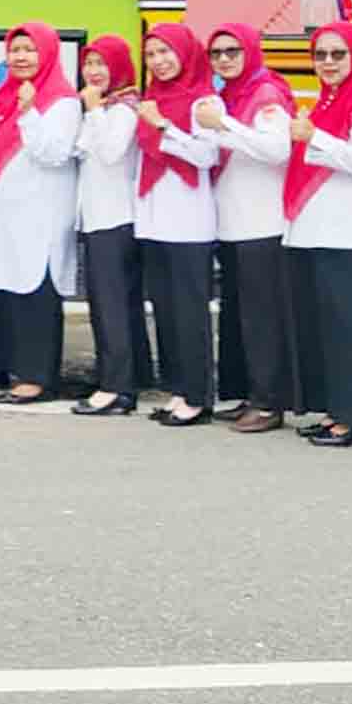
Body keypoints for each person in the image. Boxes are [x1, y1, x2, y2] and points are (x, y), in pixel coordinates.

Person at [282, 22, 352, 446]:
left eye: (337, 54)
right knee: (323, 328)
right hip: (313, 231)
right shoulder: (325, 104)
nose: (327, 62)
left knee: (350, 329)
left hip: (349, 233)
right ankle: (334, 410)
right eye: (320, 55)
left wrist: (317, 138)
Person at [196, 23, 300, 424]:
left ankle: (269, 401)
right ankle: (247, 392)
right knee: (239, 315)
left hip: (262, 222)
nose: (224, 59)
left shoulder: (266, 94)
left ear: (251, 51)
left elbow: (277, 150)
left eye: (232, 51)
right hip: (233, 222)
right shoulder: (228, 96)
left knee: (263, 318)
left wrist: (224, 125)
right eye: (217, 53)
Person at [0, 22, 80, 405]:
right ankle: (6, 364)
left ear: (48, 53)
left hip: (42, 214)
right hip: (7, 214)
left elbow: (53, 153)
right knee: (9, 287)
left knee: (36, 289)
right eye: (14, 49)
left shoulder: (62, 101)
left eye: (29, 50)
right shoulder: (6, 96)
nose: (20, 57)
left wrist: (30, 110)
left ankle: (37, 376)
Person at [130, 25, 221, 426]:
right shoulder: (153, 98)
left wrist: (165, 126)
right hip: (153, 219)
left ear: (185, 53)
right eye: (151, 55)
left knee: (189, 312)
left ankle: (199, 395)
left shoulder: (203, 100)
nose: (159, 61)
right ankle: (180, 388)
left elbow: (206, 155)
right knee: (165, 310)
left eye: (166, 52)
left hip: (188, 222)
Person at [72, 34, 153, 416]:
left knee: (110, 305)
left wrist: (92, 111)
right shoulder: (108, 107)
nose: (93, 71)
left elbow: (108, 152)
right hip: (100, 217)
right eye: (89, 63)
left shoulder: (123, 109)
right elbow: (80, 148)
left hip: (114, 218)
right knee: (119, 303)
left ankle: (116, 387)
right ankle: (130, 374)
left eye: (102, 64)